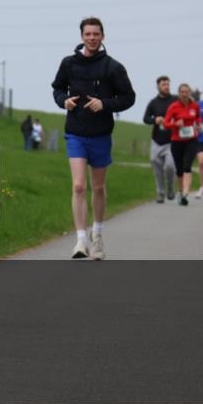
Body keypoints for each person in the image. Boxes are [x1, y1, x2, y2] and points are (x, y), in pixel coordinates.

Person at [51, 16, 136, 260]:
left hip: (100, 134)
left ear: (102, 36)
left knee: (98, 187)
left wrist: (105, 103)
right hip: (75, 131)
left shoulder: (113, 67)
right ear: (81, 37)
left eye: (96, 34)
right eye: (87, 34)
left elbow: (129, 97)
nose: (92, 38)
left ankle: (97, 235)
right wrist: (63, 101)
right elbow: (57, 89)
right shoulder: (68, 64)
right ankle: (80, 240)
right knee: (78, 186)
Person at [164, 83, 202, 206]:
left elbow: (198, 118)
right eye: (182, 92)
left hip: (191, 139)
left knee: (187, 165)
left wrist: (198, 124)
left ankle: (185, 193)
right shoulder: (173, 106)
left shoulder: (195, 106)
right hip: (177, 140)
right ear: (179, 93)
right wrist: (175, 124)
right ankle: (181, 192)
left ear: (190, 93)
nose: (184, 94)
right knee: (179, 169)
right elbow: (165, 123)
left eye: (186, 92)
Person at [142, 75, 177, 204]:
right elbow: (145, 118)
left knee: (170, 166)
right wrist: (154, 120)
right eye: (164, 84)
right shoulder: (153, 103)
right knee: (157, 168)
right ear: (158, 86)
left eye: (168, 84)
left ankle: (171, 189)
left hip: (172, 140)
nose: (166, 86)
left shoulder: (175, 100)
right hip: (157, 140)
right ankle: (161, 193)